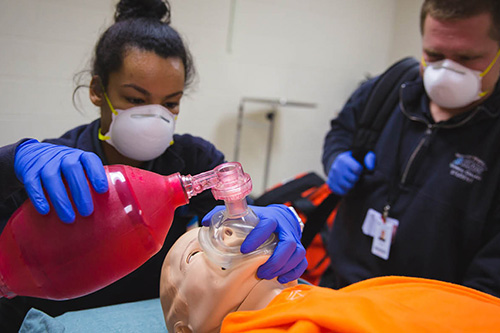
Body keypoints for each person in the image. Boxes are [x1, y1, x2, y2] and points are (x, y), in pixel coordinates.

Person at [0, 0, 306, 331]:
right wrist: (9, 163)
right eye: (135, 99)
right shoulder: (56, 167)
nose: (153, 117)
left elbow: (243, 219)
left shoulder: (193, 158)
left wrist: (276, 223)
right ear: (97, 91)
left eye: (170, 103)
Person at [321, 0, 500, 297]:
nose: (446, 71)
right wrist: (336, 157)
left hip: (428, 316)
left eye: (467, 58)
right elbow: (342, 129)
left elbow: (491, 276)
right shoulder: (391, 88)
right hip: (343, 292)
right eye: (434, 54)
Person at [160, 227, 500, 333]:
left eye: (220, 227)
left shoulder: (349, 294)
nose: (229, 230)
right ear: (186, 328)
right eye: (194, 255)